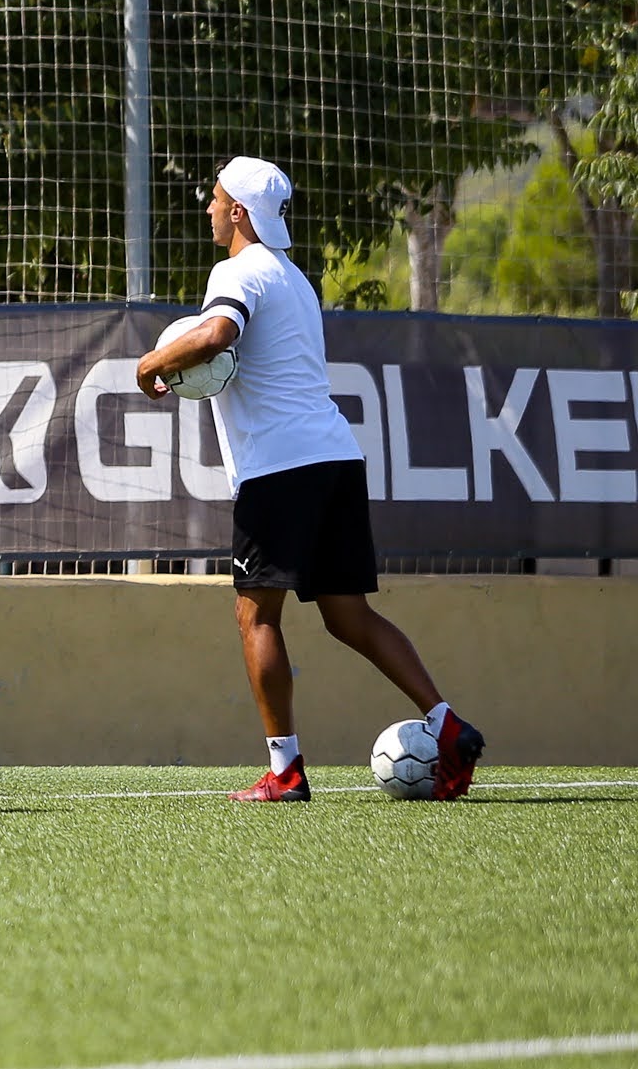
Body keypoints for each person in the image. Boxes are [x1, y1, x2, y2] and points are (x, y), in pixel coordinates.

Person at [135, 156, 483, 801]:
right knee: (349, 616)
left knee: (255, 616)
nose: (209, 208)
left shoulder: (237, 271)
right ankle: (446, 721)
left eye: (216, 199)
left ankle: (285, 770)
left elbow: (215, 335)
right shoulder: (294, 278)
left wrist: (150, 364)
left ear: (238, 211)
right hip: (335, 460)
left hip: (279, 470)